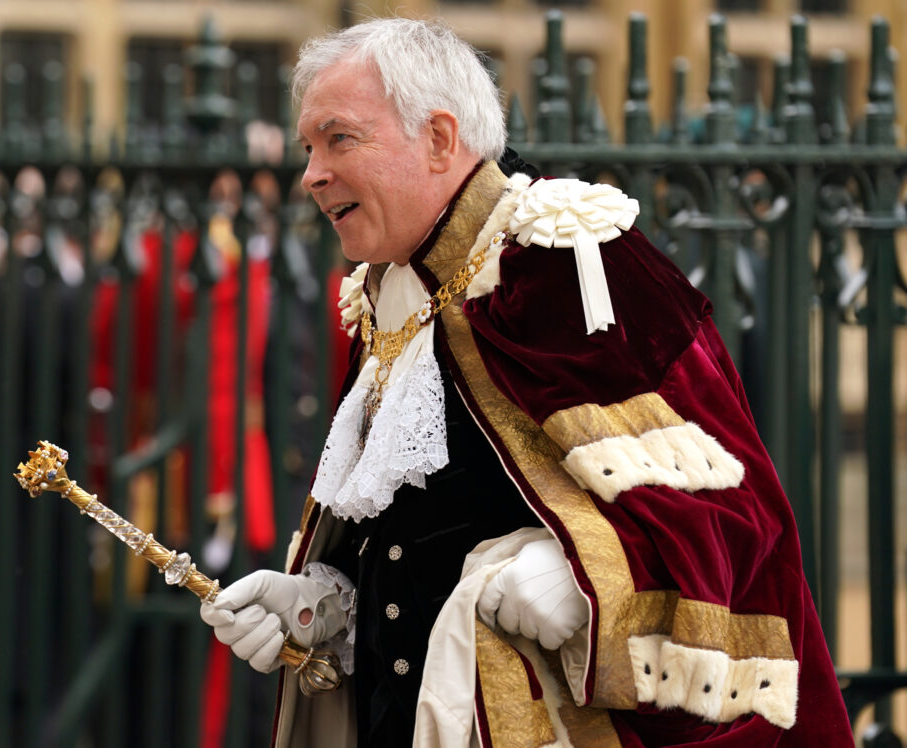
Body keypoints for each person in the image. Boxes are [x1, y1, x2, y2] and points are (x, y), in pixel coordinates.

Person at [200, 17, 854, 747]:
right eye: (308, 147)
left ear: (441, 139)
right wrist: (330, 604)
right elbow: (415, 542)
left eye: (339, 139)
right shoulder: (391, 293)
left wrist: (584, 579)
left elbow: (737, 519)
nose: (311, 173)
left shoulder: (571, 261)